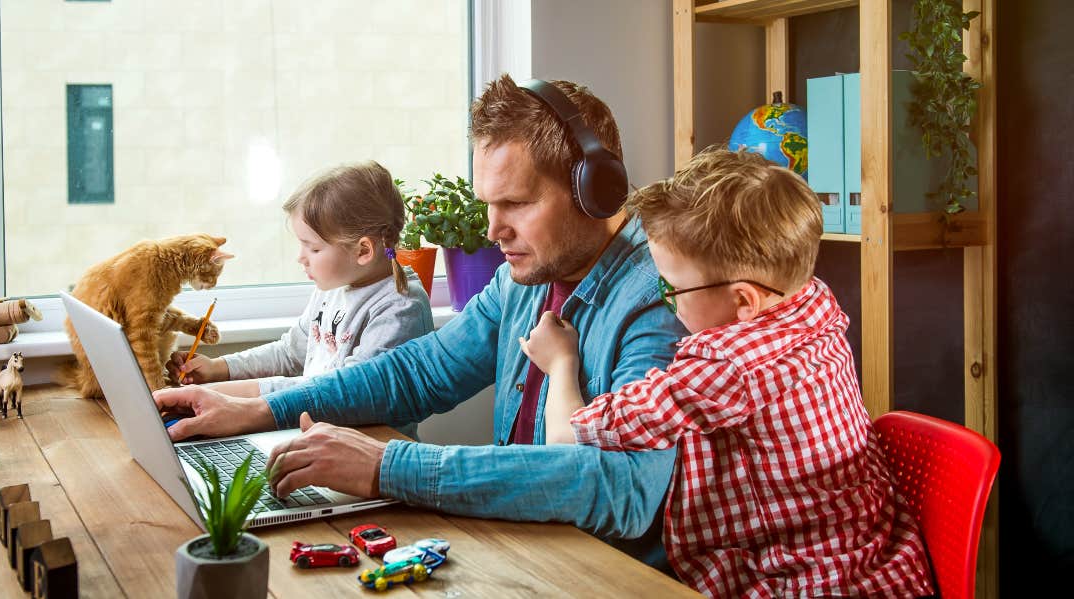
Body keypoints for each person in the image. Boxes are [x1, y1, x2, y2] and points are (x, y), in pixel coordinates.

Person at [152, 74, 687, 568]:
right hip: (526, 548)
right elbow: (418, 372)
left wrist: (388, 466)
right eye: (486, 204)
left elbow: (624, 488)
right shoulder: (523, 280)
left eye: (516, 203)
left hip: (606, 574)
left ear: (596, 189)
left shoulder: (663, 298)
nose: (493, 229)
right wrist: (256, 410)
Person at [522, 148, 934, 597]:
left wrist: (561, 365)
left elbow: (565, 440)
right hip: (884, 565)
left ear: (743, 302)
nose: (666, 301)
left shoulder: (728, 368)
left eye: (671, 287)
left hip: (809, 584)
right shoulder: (813, 301)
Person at [166, 161, 433, 436]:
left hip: (366, 453)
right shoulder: (334, 286)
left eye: (313, 248)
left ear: (363, 250)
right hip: (313, 436)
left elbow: (341, 392)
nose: (300, 257)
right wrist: (219, 369)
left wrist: (227, 395)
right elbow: (290, 353)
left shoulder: (399, 308)